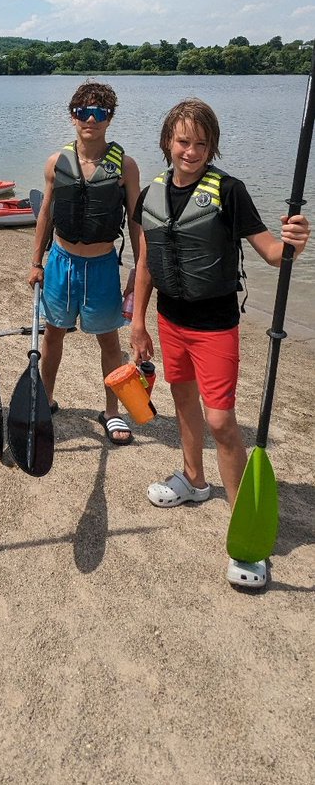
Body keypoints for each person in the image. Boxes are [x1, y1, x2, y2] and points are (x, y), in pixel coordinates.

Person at [129, 98, 310, 589]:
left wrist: (292, 241)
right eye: (183, 141)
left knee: (221, 420)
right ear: (168, 140)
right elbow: (145, 262)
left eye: (201, 143)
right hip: (170, 320)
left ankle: (243, 527)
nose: (191, 151)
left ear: (212, 147)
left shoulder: (229, 192)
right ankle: (193, 479)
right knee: (183, 404)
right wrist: (138, 322)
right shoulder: (151, 192)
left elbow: (271, 251)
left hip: (215, 326)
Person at [28, 81, 141, 443]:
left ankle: (112, 411)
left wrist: (139, 270)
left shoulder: (124, 165)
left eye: (99, 113)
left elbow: (136, 220)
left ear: (109, 118)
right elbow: (46, 212)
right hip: (61, 261)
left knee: (109, 342)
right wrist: (36, 262)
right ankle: (45, 399)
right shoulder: (55, 162)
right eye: (83, 112)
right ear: (72, 116)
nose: (90, 119)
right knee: (53, 336)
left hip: (103, 265)